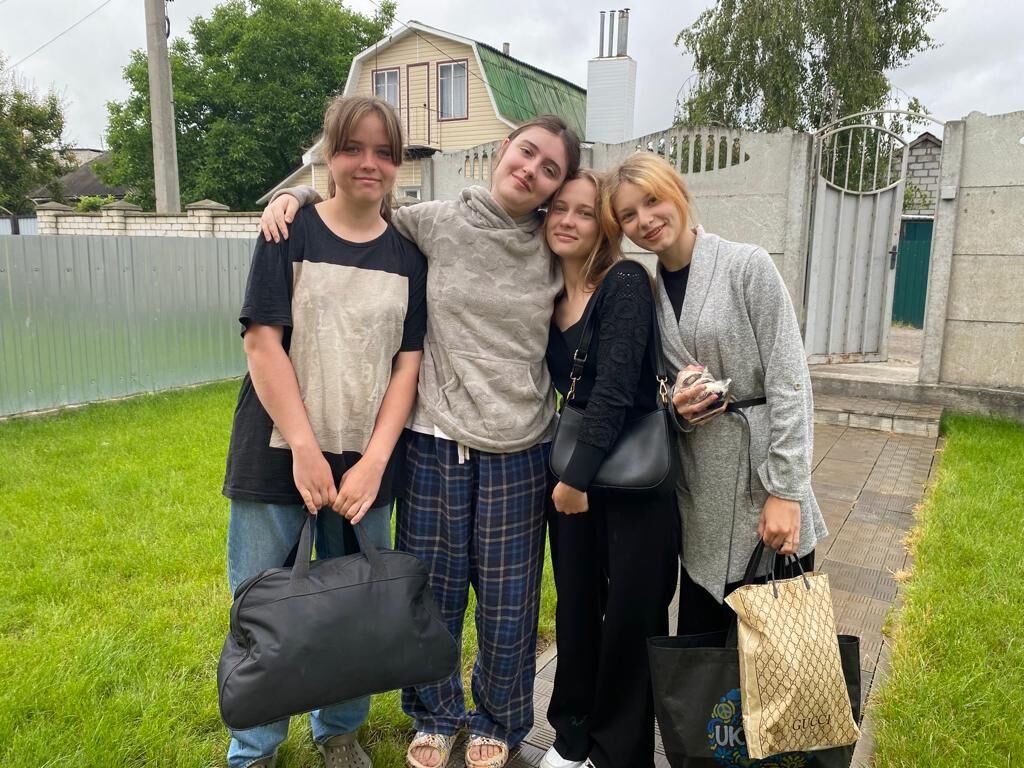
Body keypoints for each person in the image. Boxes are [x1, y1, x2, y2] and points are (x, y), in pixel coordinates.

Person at [260, 115, 581, 768]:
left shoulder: (554, 246)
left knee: (509, 603)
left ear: (556, 187)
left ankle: (498, 720)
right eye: (526, 152)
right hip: (434, 442)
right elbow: (360, 205)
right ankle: (434, 716)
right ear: (503, 150)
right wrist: (296, 195)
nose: (531, 170)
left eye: (550, 168)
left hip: (519, 449)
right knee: (432, 594)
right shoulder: (436, 221)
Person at [222, 95, 427, 768]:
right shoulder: (290, 233)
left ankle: (339, 732)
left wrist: (374, 462)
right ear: (328, 155)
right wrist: (306, 450)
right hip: (277, 455)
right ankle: (255, 747)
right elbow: (261, 343)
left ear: (397, 163)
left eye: (383, 152)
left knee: (355, 611)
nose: (369, 163)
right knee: (267, 611)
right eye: (353, 148)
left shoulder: (409, 257)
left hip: (366, 468)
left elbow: (407, 366)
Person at [601, 152, 828, 635]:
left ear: (678, 193)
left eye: (653, 200)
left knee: (776, 645)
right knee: (705, 651)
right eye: (628, 215)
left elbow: (790, 380)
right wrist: (675, 406)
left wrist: (786, 491)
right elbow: (659, 390)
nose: (645, 220)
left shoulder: (747, 266)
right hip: (701, 496)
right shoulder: (649, 294)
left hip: (761, 486)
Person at [540, 170, 680, 768]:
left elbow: (617, 390)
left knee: (631, 616)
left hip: (633, 481)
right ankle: (571, 736)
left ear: (603, 225)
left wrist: (574, 480)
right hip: (572, 475)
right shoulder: (546, 294)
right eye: (559, 209)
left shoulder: (625, 282)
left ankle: (618, 750)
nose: (568, 221)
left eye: (584, 211)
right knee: (575, 609)